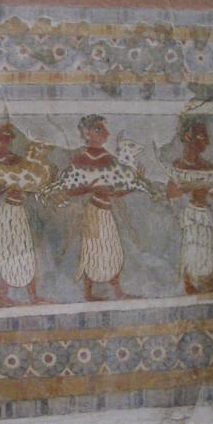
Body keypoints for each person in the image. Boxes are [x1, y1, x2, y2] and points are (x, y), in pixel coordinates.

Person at [0, 120, 45, 306]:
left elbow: (29, 181)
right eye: (1, 138)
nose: (5, 142)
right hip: (5, 212)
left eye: (8, 138)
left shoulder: (17, 160)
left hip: (20, 210)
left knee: (26, 250)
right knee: (5, 252)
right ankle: (3, 297)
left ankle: (33, 296)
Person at [166, 120, 213, 294]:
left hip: (205, 215)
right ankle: (189, 286)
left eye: (206, 137)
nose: (206, 142)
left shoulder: (207, 167)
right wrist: (195, 184)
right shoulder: (179, 166)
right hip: (189, 216)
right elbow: (171, 192)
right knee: (192, 254)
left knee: (208, 255)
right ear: (188, 137)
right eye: (201, 136)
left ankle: (204, 286)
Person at [67, 115, 134, 301]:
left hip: (106, 211)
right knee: (92, 250)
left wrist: (132, 185)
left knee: (112, 248)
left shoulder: (110, 159)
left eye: (105, 129)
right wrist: (92, 188)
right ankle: (88, 293)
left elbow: (116, 190)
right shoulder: (81, 159)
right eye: (99, 129)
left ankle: (118, 291)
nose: (106, 133)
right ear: (87, 133)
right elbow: (70, 190)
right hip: (93, 211)